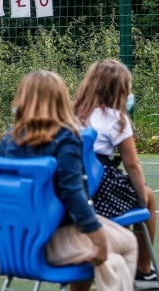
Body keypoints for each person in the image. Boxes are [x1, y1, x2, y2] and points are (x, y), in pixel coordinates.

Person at [0, 70, 137, 291]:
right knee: (127, 245)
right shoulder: (65, 138)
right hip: (56, 238)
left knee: (112, 262)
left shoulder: (7, 141)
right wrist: (98, 240)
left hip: (14, 243)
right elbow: (73, 193)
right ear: (61, 98)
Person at [74, 59, 157, 288]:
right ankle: (144, 269)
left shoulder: (75, 114)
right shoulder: (116, 119)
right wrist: (140, 197)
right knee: (148, 197)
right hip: (101, 189)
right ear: (120, 90)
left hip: (75, 192)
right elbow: (132, 165)